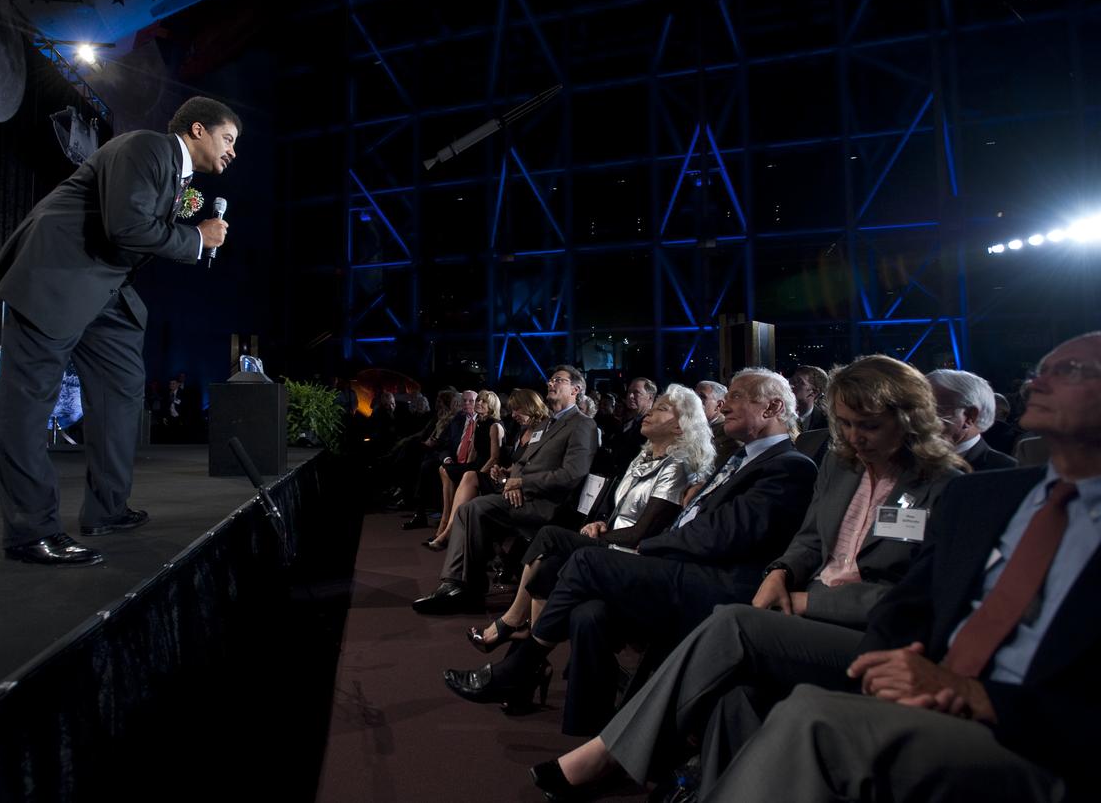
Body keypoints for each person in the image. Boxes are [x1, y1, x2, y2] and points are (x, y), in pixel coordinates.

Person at [685, 332, 1101, 803]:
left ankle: (606, 760)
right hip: (913, 662)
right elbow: (913, 597)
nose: (1036, 382)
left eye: (1067, 371)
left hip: (1030, 729)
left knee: (793, 693)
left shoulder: (964, 481)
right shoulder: (1000, 497)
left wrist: (970, 692)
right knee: (738, 687)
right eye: (1039, 370)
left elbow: (904, 590)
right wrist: (786, 575)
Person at [531, 354, 968, 798]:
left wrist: (806, 602)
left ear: (910, 418)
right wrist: (782, 571)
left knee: (731, 623)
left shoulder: (948, 485)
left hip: (870, 634)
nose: (855, 438)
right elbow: (811, 539)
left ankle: (608, 751)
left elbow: (918, 597)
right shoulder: (843, 465)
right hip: (799, 613)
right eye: (846, 424)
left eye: (868, 426)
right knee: (734, 695)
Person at [445, 368, 818, 735]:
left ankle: (519, 664)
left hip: (714, 583)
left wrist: (647, 545)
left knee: (581, 558)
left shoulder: (789, 466)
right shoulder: (741, 459)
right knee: (589, 611)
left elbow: (721, 537)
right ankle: (587, 727)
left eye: (736, 396)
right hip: (680, 564)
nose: (725, 404)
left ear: (771, 409)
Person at [0, 96, 238, 566]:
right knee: (27, 403)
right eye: (228, 139)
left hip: (103, 288)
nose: (232, 151)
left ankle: (107, 509)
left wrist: (186, 227)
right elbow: (126, 225)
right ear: (198, 130)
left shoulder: (175, 174)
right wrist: (195, 237)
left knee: (123, 387)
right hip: (56, 275)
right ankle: (30, 531)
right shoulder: (146, 147)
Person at [465, 384, 716, 653]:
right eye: (653, 407)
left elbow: (641, 533)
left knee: (550, 536)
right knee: (547, 566)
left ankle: (515, 624)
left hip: (632, 556)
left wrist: (599, 533)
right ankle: (529, 660)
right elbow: (621, 512)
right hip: (612, 543)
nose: (650, 413)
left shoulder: (677, 466)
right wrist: (602, 522)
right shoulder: (643, 458)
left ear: (680, 427)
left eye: (661, 409)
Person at [412, 365, 599, 614]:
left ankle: (462, 587)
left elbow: (572, 475)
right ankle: (460, 585)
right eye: (550, 379)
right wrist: (508, 478)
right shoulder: (546, 425)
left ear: (575, 389)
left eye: (559, 380)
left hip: (546, 505)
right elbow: (524, 462)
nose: (551, 383)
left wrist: (522, 483)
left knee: (473, 508)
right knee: (470, 509)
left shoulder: (582, 425)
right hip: (521, 496)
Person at [424, 389, 548, 551]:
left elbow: (498, 458)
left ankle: (448, 531)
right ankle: (447, 529)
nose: (513, 415)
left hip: (518, 486)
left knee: (467, 477)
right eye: (512, 410)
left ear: (529, 406)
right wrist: (504, 471)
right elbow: (516, 463)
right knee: (456, 472)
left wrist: (511, 479)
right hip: (503, 478)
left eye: (516, 410)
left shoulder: (541, 431)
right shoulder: (522, 430)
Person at [433, 390, 504, 546]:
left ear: (491, 406)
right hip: (476, 464)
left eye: (483, 402)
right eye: (478, 400)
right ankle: (445, 520)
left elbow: (494, 458)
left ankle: (446, 529)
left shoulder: (495, 426)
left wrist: (476, 474)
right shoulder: (480, 422)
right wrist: (465, 467)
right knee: (444, 469)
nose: (478, 403)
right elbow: (473, 450)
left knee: (459, 474)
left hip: (489, 469)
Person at [403, 390, 475, 530]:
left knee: (426, 460)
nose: (465, 404)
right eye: (463, 402)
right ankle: (420, 512)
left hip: (468, 463)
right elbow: (443, 443)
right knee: (426, 463)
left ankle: (444, 520)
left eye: (470, 401)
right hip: (450, 458)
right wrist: (447, 458)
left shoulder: (479, 421)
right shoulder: (458, 419)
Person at [927, 368, 1017, 471]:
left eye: (931, 408)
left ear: (969, 417)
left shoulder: (1005, 472)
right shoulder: (909, 460)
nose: (916, 416)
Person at [595, 378, 657, 477]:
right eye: (629, 392)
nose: (630, 396)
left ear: (650, 397)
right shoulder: (629, 422)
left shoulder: (653, 426)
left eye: (636, 393)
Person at [695, 380, 741, 470]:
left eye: (701, 397)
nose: (695, 402)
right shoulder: (690, 427)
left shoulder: (728, 434)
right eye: (694, 397)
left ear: (719, 405)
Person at [789, 365, 829, 432]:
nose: (791, 385)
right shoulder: (777, 416)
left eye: (799, 382)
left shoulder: (826, 423)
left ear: (814, 392)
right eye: (792, 380)